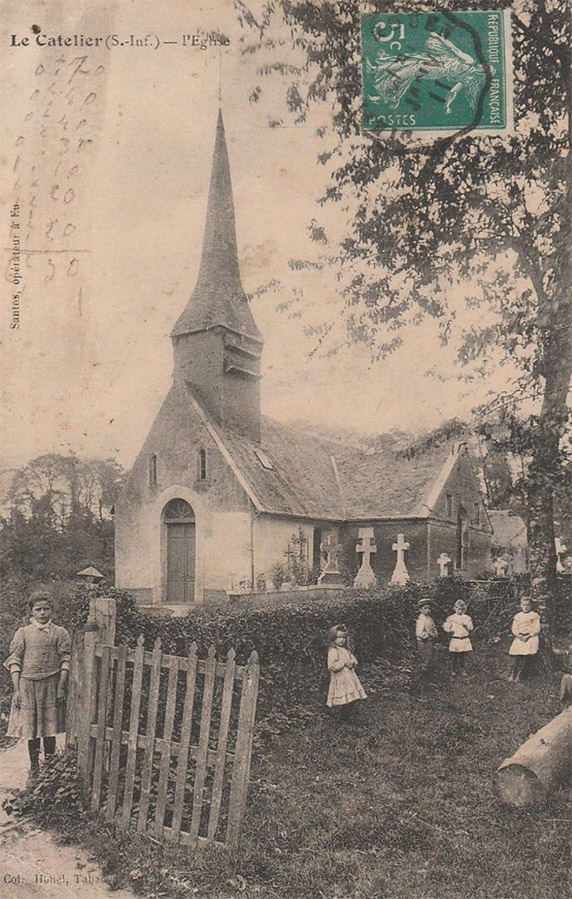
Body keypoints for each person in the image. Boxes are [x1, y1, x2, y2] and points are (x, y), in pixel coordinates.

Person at [4, 591, 71, 782]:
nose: (42, 613)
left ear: (52, 611)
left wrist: (61, 686)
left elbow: (65, 659)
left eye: (46, 609)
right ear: (31, 612)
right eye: (38, 609)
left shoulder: (60, 633)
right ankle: (34, 767)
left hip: (51, 683)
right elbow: (15, 661)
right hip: (28, 685)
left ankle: (49, 767)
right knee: (32, 729)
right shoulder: (23, 633)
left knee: (49, 728)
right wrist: (17, 690)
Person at [326, 625, 366, 720]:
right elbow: (332, 665)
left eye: (343, 637)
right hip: (340, 678)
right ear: (333, 638)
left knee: (352, 698)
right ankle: (343, 718)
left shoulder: (346, 650)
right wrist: (343, 663)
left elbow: (353, 660)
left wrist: (351, 663)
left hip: (350, 678)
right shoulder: (333, 651)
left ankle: (346, 716)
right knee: (345, 698)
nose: (342, 640)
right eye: (339, 637)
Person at [508, 596, 541, 682]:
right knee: (516, 655)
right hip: (520, 637)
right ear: (521, 606)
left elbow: (536, 628)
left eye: (527, 605)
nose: (525, 607)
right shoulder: (518, 616)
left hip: (530, 637)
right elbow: (514, 628)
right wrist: (519, 635)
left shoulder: (534, 615)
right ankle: (513, 673)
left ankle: (520, 674)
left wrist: (528, 636)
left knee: (526, 656)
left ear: (531, 606)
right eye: (524, 605)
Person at [443, 599, 474, 675]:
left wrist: (466, 625)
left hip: (463, 639)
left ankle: (462, 669)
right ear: (455, 608)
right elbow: (446, 626)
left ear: (464, 609)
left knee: (462, 655)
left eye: (462, 609)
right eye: (458, 609)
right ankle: (454, 670)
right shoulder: (451, 618)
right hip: (456, 639)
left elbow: (471, 628)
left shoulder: (466, 618)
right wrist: (449, 630)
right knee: (455, 655)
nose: (460, 611)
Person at [415, 598, 439, 677]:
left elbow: (433, 627)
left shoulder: (429, 618)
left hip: (430, 641)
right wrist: (428, 635)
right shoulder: (421, 619)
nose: (428, 610)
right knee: (426, 658)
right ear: (420, 609)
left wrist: (435, 633)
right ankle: (423, 676)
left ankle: (429, 674)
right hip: (424, 642)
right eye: (425, 608)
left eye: (429, 608)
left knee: (431, 657)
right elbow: (419, 632)